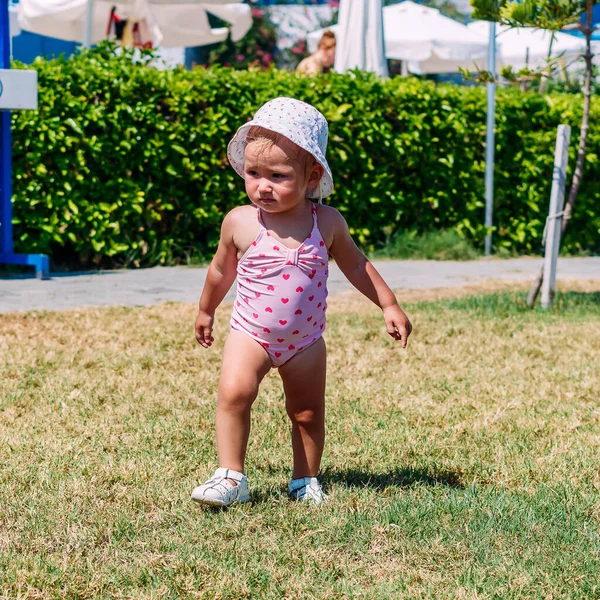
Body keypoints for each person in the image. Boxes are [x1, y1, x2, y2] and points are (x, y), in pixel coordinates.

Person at [191, 97, 412, 507]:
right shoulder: (240, 221)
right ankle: (230, 475)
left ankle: (305, 480)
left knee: (307, 412)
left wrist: (388, 304)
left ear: (312, 176)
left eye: (277, 175)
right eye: (253, 173)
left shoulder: (326, 223)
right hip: (250, 332)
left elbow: (357, 265)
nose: (262, 185)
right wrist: (207, 310)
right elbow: (222, 271)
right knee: (234, 392)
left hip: (306, 341)